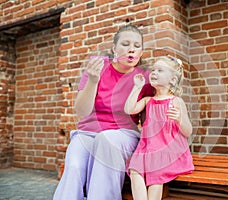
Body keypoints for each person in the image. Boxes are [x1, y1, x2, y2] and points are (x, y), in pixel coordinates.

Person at [53, 24, 154, 200]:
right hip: (87, 133)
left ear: (141, 52)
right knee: (74, 167)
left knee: (106, 139)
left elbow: (148, 117)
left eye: (137, 46)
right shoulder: (98, 67)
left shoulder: (144, 77)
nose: (131, 49)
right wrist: (93, 80)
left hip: (123, 134)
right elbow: (82, 111)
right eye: (125, 44)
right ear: (114, 48)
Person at [124, 55, 194, 200]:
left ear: (172, 80)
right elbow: (129, 109)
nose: (154, 73)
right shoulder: (148, 100)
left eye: (160, 70)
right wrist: (137, 88)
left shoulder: (176, 101)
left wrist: (180, 119)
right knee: (134, 171)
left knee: (155, 175)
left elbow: (188, 131)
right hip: (147, 147)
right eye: (153, 70)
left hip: (168, 149)